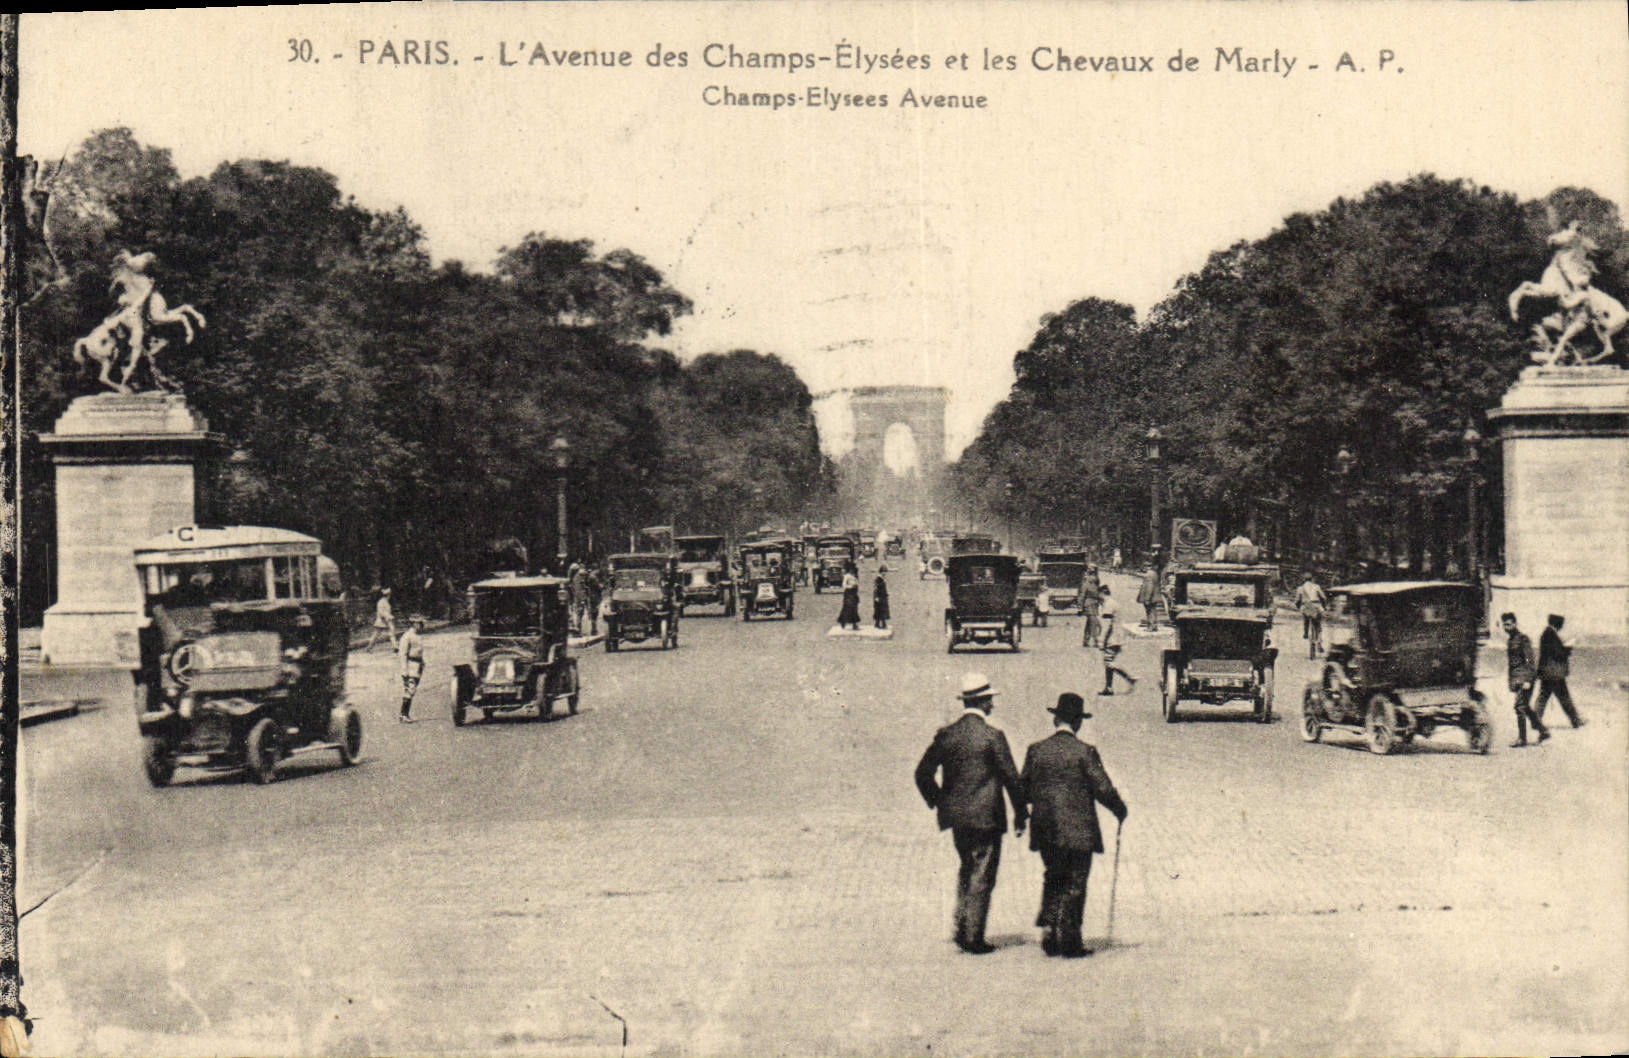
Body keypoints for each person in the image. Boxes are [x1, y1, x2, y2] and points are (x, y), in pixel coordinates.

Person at [914, 673, 1028, 955]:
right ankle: (973, 936)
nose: (992, 706)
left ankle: (960, 925)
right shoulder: (993, 737)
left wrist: (940, 801)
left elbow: (922, 773)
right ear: (984, 702)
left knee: (967, 866)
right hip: (987, 816)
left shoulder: (947, 735)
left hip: (957, 818)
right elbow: (1012, 778)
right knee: (982, 873)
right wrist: (1020, 813)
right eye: (990, 700)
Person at [1021, 692, 1127, 958]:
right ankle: (1069, 940)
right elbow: (1102, 787)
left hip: (1046, 828)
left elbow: (1023, 789)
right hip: (1079, 829)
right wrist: (1119, 809)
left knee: (1053, 874)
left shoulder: (1036, 750)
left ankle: (1048, 925)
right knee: (1076, 880)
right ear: (1078, 722)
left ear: (1055, 719)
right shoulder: (1085, 752)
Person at [1502, 613, 1548, 747]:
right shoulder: (1510, 640)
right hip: (1517, 678)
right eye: (1505, 624)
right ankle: (1543, 730)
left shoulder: (1523, 639)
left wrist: (1528, 680)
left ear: (1515, 624)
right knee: (1525, 707)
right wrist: (1511, 681)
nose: (1507, 627)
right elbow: (1512, 665)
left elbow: (1530, 661)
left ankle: (1522, 739)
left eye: (1509, 624)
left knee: (1519, 707)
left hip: (1525, 679)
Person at [1534, 614, 1584, 729]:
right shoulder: (1550, 635)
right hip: (1554, 673)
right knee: (1564, 697)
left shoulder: (1547, 633)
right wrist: (1568, 648)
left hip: (1548, 672)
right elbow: (1558, 654)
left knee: (1544, 697)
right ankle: (1576, 721)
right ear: (1557, 624)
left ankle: (1536, 721)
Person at [1097, 586, 1136, 695]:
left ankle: (1130, 678)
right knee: (1108, 661)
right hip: (1117, 636)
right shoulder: (1113, 603)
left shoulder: (1109, 605)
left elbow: (1107, 624)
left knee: (1109, 662)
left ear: (1102, 593)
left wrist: (1101, 639)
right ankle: (1109, 687)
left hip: (1112, 637)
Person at [397, 614, 426, 723]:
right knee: (409, 689)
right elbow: (403, 654)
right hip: (411, 665)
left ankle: (405, 714)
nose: (421, 626)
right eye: (419, 623)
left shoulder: (417, 635)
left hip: (418, 665)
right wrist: (404, 670)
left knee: (412, 690)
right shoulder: (407, 636)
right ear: (414, 624)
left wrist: (422, 662)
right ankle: (403, 715)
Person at [1295, 573, 1329, 659]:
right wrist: (1324, 606)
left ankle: (1306, 632)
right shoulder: (1317, 587)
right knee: (1318, 625)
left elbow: (1297, 601)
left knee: (1306, 618)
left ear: (1303, 579)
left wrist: (1299, 607)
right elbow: (1323, 598)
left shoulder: (1300, 588)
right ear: (1312, 579)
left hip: (1306, 607)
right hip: (1316, 606)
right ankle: (1319, 642)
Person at [1079, 565, 1103, 647]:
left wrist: (1102, 603)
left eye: (1095, 574)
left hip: (1095, 604)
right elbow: (1082, 595)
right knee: (1094, 622)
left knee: (1089, 623)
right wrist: (1080, 607)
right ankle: (1095, 641)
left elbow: (1099, 594)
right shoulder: (1086, 582)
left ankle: (1085, 640)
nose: (1094, 576)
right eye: (1092, 574)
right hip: (1089, 604)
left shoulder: (1096, 582)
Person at [366, 588, 396, 653]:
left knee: (391, 633)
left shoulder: (386, 602)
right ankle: (369, 647)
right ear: (387, 595)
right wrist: (388, 616)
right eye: (388, 595)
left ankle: (395, 647)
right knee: (376, 635)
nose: (389, 596)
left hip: (387, 620)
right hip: (381, 621)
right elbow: (381, 612)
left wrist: (389, 617)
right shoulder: (381, 602)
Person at [837, 560, 862, 630]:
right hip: (848, 593)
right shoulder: (846, 576)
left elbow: (857, 583)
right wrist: (850, 586)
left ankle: (854, 624)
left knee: (855, 608)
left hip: (854, 593)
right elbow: (844, 585)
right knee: (848, 608)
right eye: (851, 569)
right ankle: (843, 621)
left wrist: (856, 585)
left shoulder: (854, 576)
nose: (852, 570)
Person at [1137, 564, 1162, 631]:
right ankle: (1154, 626)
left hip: (1150, 597)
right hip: (1155, 596)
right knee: (1153, 610)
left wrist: (1147, 598)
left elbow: (1149, 587)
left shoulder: (1148, 575)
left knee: (1149, 611)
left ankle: (1150, 627)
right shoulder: (1154, 573)